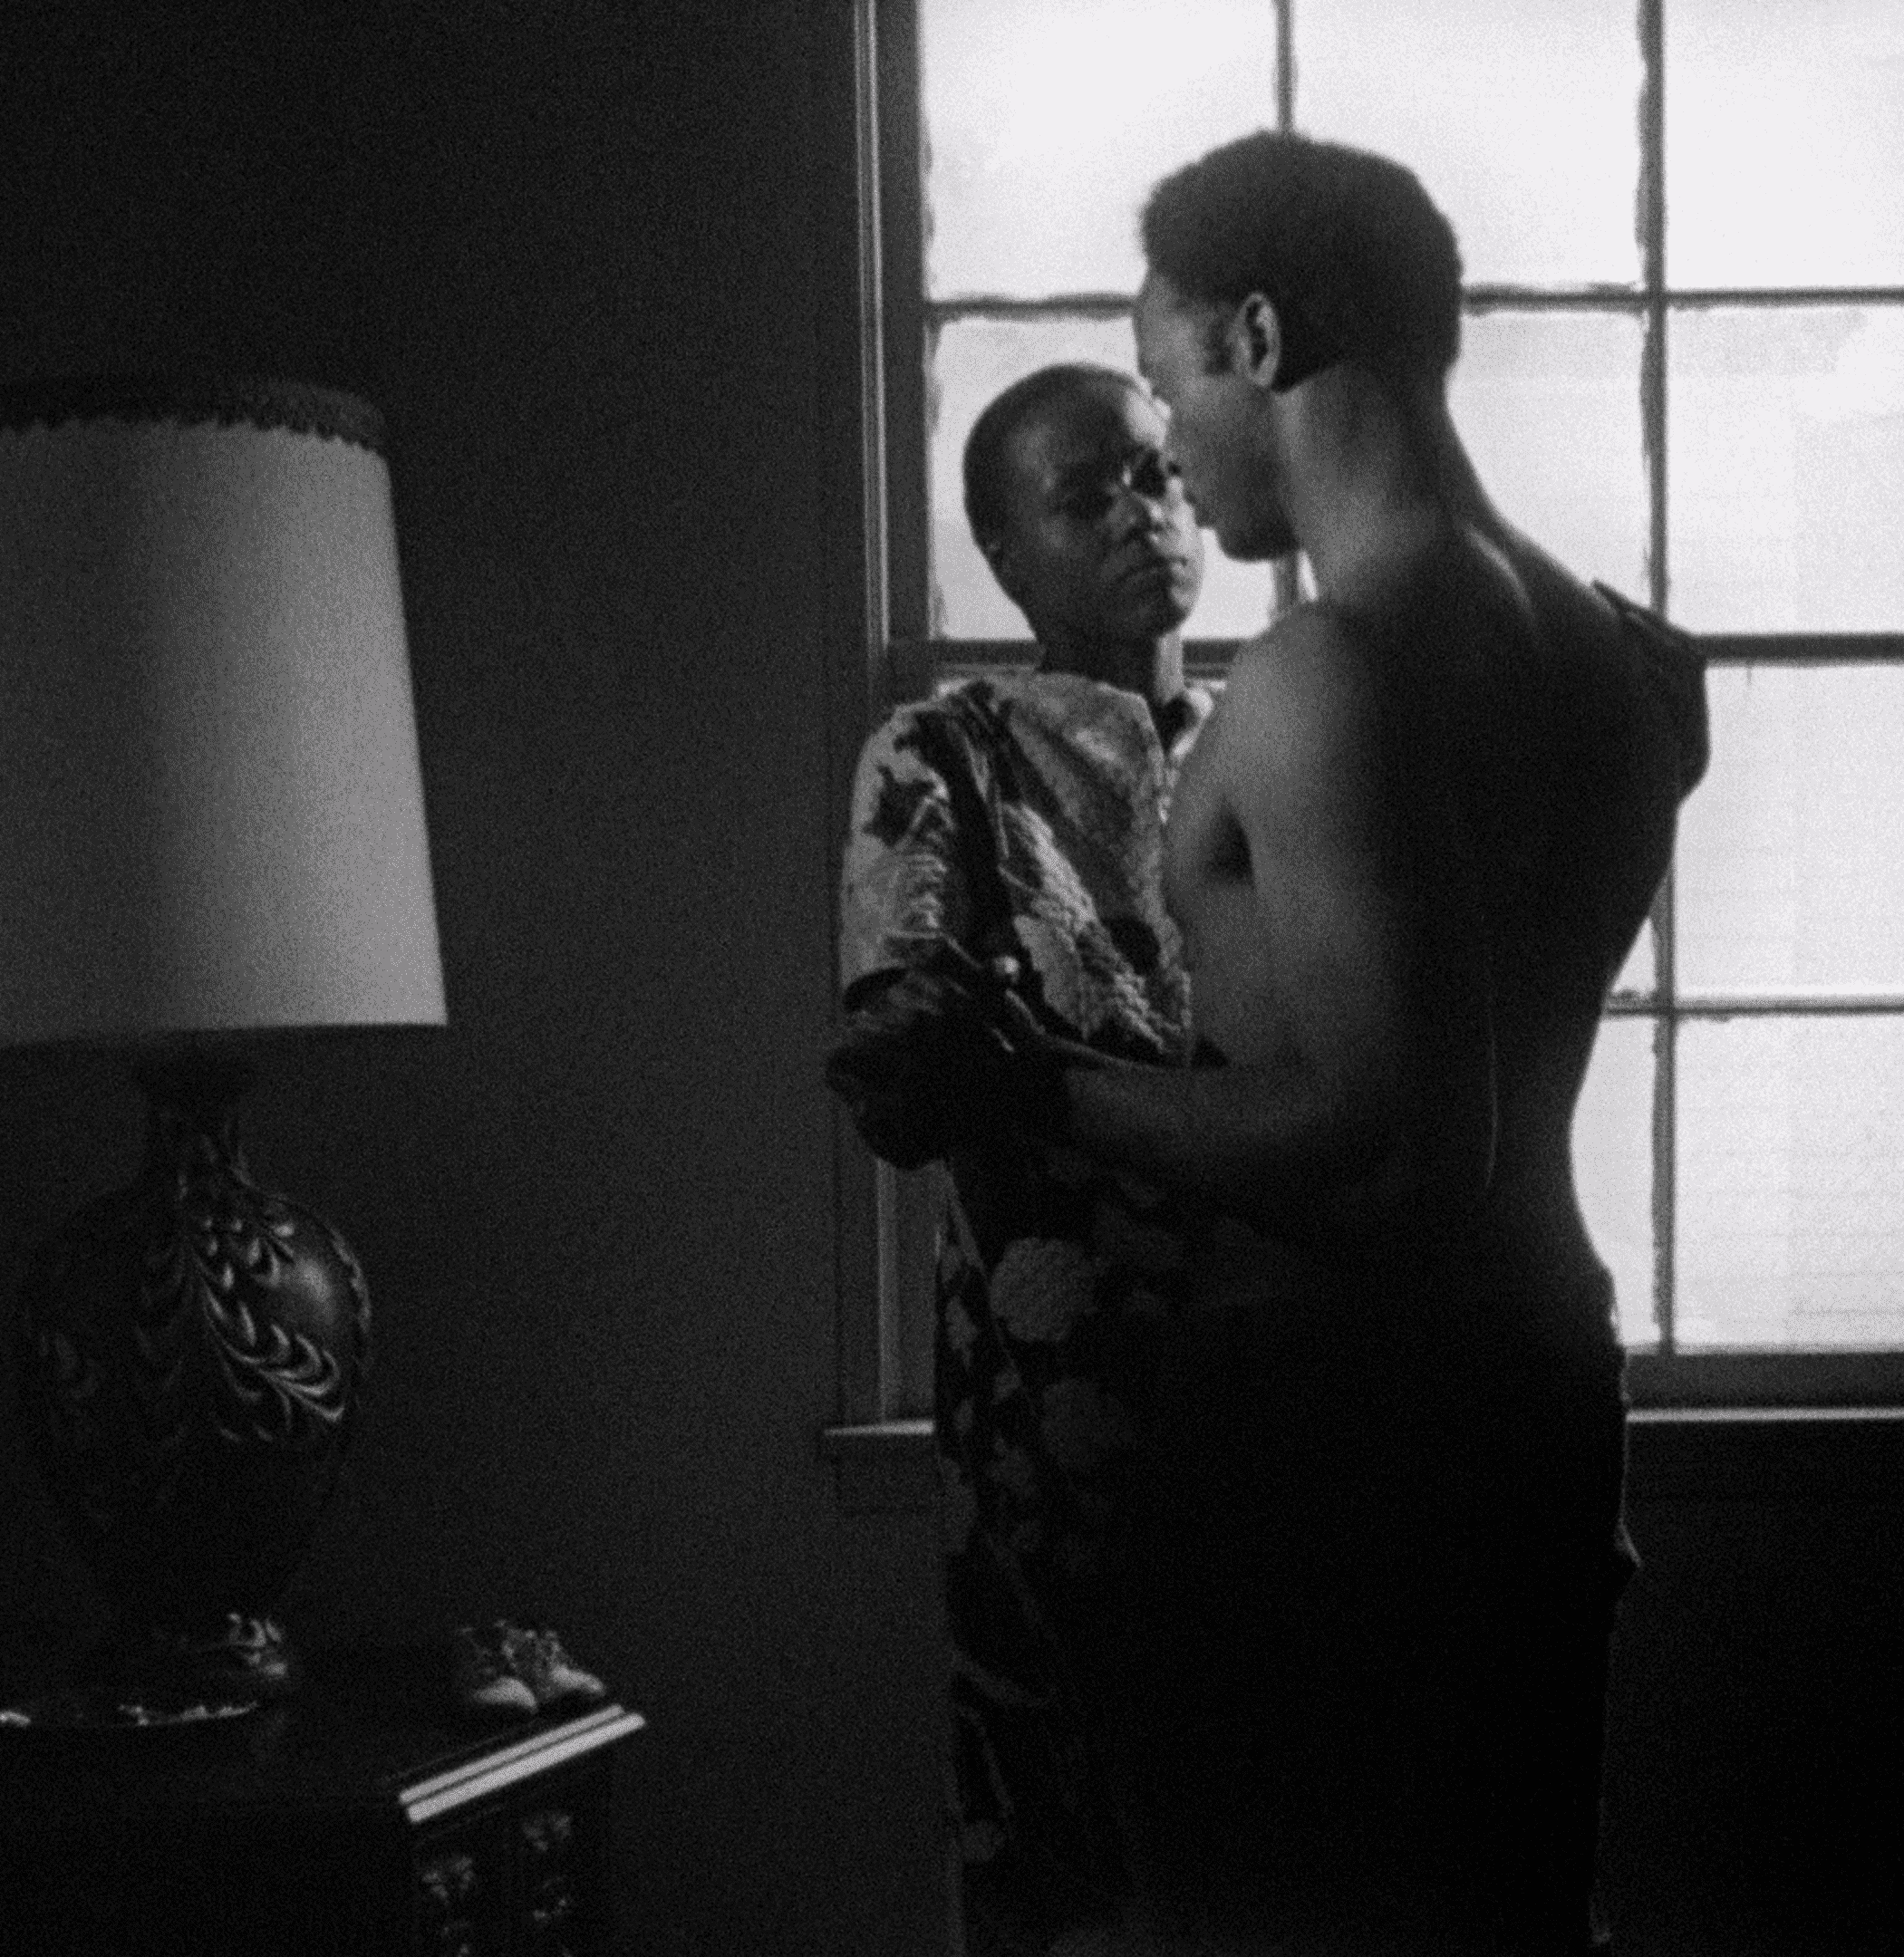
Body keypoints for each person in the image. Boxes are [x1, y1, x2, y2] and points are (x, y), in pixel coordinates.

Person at [909, 133, 1713, 1954]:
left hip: (1334, 1434)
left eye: (1171, 374)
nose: (1175, 454)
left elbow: (1394, 1141)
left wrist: (1032, 1081)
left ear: (1258, 338)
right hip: (1540, 1389)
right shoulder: (1618, 660)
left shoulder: (1326, 671)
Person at [826, 363, 1223, 1956]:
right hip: (1049, 1391)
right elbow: (905, 1055)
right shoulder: (946, 752)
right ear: (1004, 556)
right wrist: (941, 1043)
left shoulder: (1269, 739)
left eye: (1160, 475)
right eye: (1087, 495)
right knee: (1063, 1831)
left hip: (1271, 1361)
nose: (1146, 514)